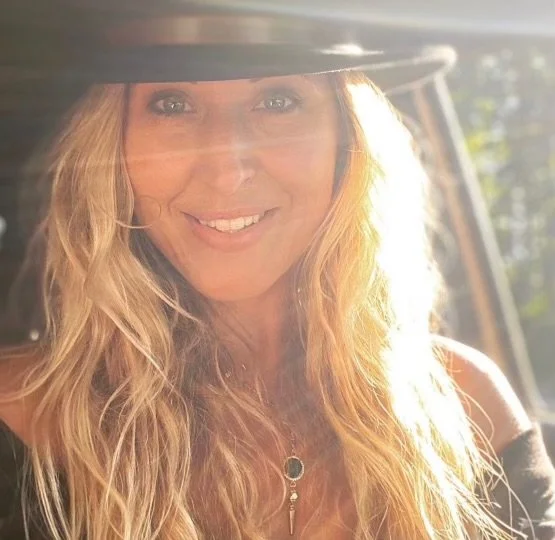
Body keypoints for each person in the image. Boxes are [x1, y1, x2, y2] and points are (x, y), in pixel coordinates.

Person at [1, 5, 554, 539]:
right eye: (172, 104)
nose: (227, 169)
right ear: (114, 146)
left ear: (348, 142)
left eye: (278, 100)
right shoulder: (22, 416)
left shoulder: (462, 405)